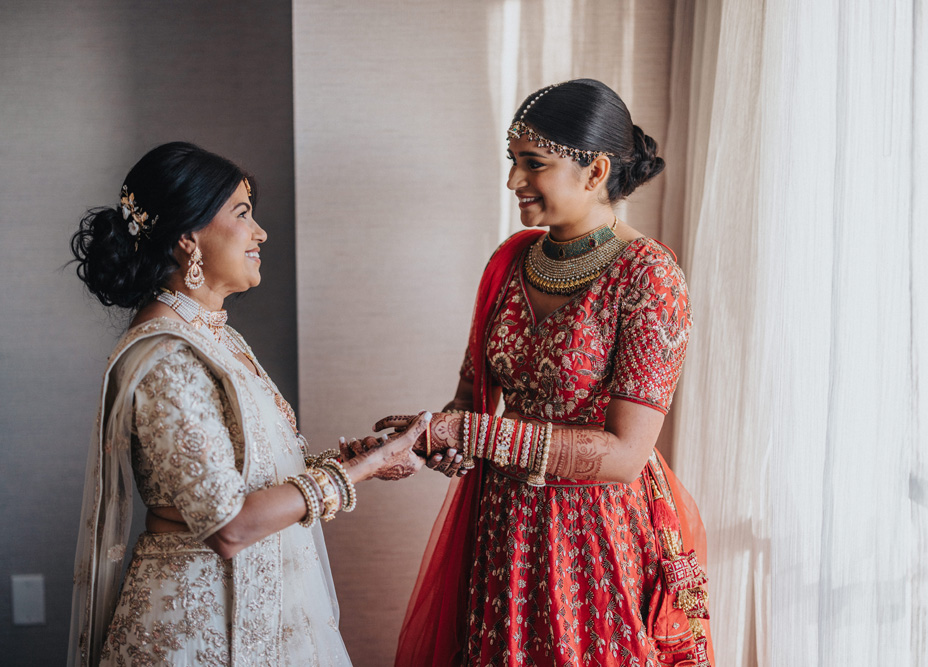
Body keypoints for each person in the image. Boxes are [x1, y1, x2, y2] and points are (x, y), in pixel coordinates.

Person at [388, 80, 714, 666]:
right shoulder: (509, 261)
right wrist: (423, 440)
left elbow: (625, 454)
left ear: (596, 171)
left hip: (595, 530)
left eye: (532, 164)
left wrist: (468, 435)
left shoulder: (648, 277)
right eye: (512, 162)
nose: (514, 181)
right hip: (503, 524)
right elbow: (471, 398)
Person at [67, 141, 428, 666]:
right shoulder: (167, 354)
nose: (260, 232)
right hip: (197, 628)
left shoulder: (219, 338)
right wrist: (363, 471)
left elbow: (253, 477)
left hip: (259, 610)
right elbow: (229, 526)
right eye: (242, 213)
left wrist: (349, 461)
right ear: (188, 237)